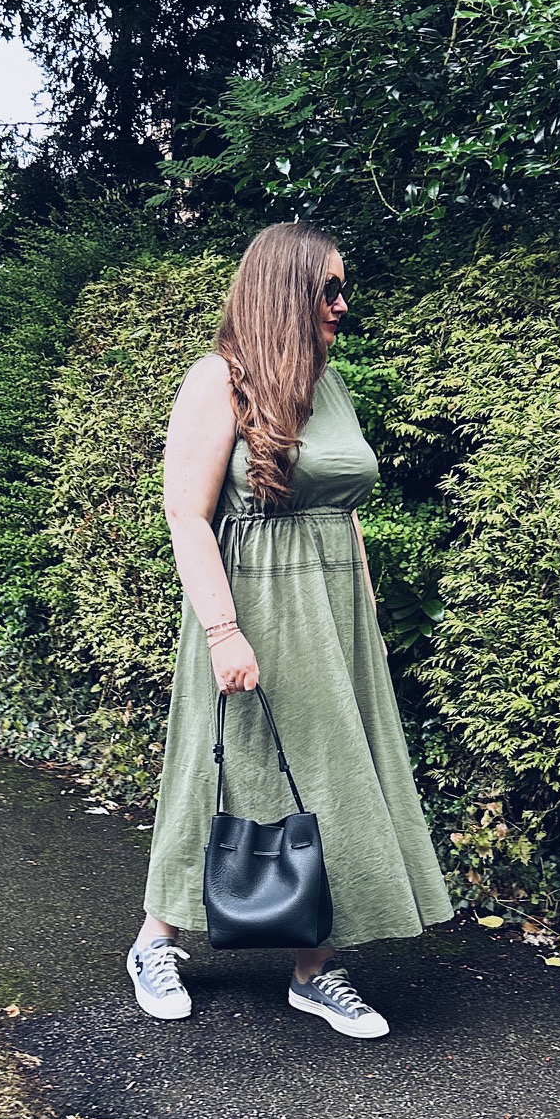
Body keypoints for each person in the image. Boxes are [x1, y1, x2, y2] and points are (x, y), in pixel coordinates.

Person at [127, 221, 453, 1038]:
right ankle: (155, 939)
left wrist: (368, 619)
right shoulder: (216, 380)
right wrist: (222, 631)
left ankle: (314, 968)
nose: (343, 304)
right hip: (253, 606)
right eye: (328, 289)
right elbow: (184, 514)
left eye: (343, 288)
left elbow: (341, 516)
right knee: (223, 770)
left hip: (332, 614)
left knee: (335, 779)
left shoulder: (327, 383)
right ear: (282, 292)